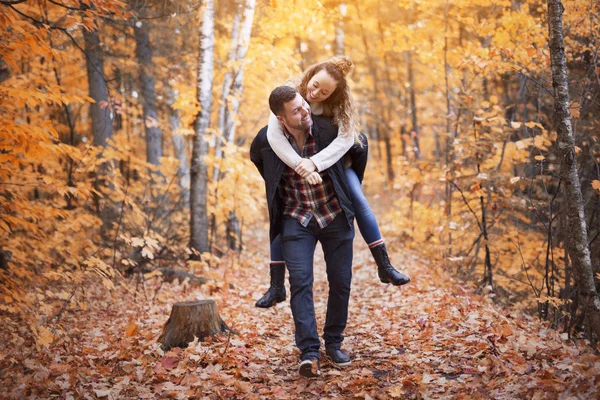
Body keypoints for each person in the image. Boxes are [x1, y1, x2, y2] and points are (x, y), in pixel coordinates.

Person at [255, 56, 410, 309]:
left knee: (358, 200)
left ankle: (384, 265)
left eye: (324, 92)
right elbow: (273, 136)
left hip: (338, 163)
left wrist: (315, 163)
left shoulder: (341, 106)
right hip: (299, 161)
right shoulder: (292, 93)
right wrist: (299, 166)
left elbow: (346, 140)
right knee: (278, 205)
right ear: (311, 74)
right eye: (314, 85)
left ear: (333, 95)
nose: (314, 93)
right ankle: (276, 285)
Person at [250, 86, 358, 377]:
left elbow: (358, 146)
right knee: (300, 282)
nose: (305, 111)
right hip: (296, 219)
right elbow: (258, 160)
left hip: (334, 215)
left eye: (303, 105)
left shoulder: (326, 128)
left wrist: (351, 188)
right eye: (296, 110)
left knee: (341, 281)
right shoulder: (267, 140)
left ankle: (334, 343)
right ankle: (309, 351)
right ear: (281, 118)